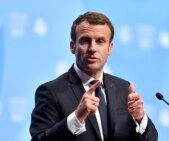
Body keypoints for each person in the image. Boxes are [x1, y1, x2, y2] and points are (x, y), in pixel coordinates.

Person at [29, 11, 158, 141]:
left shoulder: (123, 89)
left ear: (110, 48)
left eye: (100, 41)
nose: (92, 48)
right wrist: (76, 118)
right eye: (85, 41)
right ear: (72, 46)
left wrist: (141, 118)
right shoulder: (51, 91)